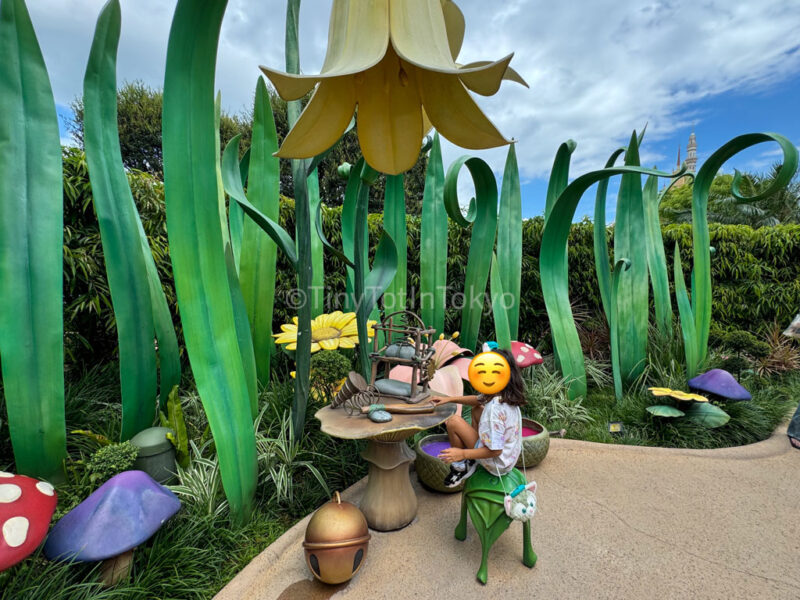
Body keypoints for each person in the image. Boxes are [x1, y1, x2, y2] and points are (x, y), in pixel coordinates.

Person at [431, 348, 527, 487]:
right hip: (508, 459)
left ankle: (460, 467)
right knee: (477, 410)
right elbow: (477, 400)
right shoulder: (507, 396)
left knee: (453, 422)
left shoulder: (495, 411)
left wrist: (462, 454)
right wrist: (449, 399)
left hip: (495, 463)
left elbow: (495, 451)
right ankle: (471, 456)